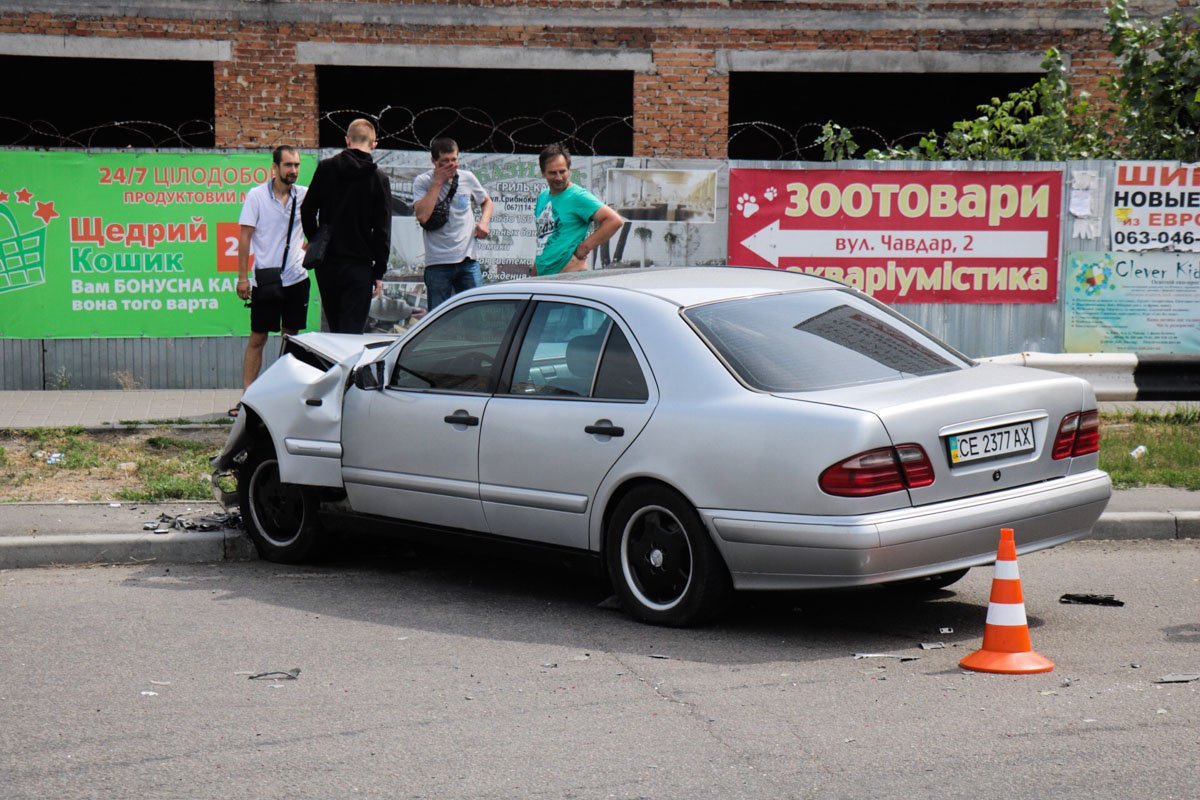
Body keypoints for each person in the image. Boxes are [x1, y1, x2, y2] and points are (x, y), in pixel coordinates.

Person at [234, 145, 309, 413]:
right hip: (265, 280)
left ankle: (281, 397)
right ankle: (247, 399)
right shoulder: (256, 196)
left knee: (291, 338)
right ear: (274, 167)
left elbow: (319, 228)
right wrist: (243, 278)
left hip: (297, 279)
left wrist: (308, 251)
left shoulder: (304, 196)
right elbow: (244, 238)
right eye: (288, 165)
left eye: (297, 165)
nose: (293, 171)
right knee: (258, 338)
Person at [300, 118, 391, 333]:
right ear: (374, 143)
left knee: (335, 328)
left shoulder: (326, 168)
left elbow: (307, 210)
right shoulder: (379, 178)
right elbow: (382, 229)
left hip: (328, 263)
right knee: (352, 334)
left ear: (347, 140)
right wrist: (379, 271)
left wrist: (317, 240)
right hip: (360, 267)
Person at [412, 137, 494, 309]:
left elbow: (487, 202)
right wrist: (438, 182)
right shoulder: (423, 181)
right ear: (434, 161)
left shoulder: (467, 178)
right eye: (444, 162)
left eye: (454, 160)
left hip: (467, 260)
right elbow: (423, 216)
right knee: (437, 318)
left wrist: (484, 222)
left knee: (478, 311)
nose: (451, 165)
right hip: (438, 263)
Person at [533, 143, 623, 276]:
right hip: (544, 275)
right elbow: (543, 239)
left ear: (569, 170)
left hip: (568, 274)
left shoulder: (577, 196)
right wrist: (535, 272)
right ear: (543, 173)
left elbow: (614, 220)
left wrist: (583, 248)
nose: (558, 177)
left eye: (562, 171)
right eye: (553, 173)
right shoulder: (543, 197)